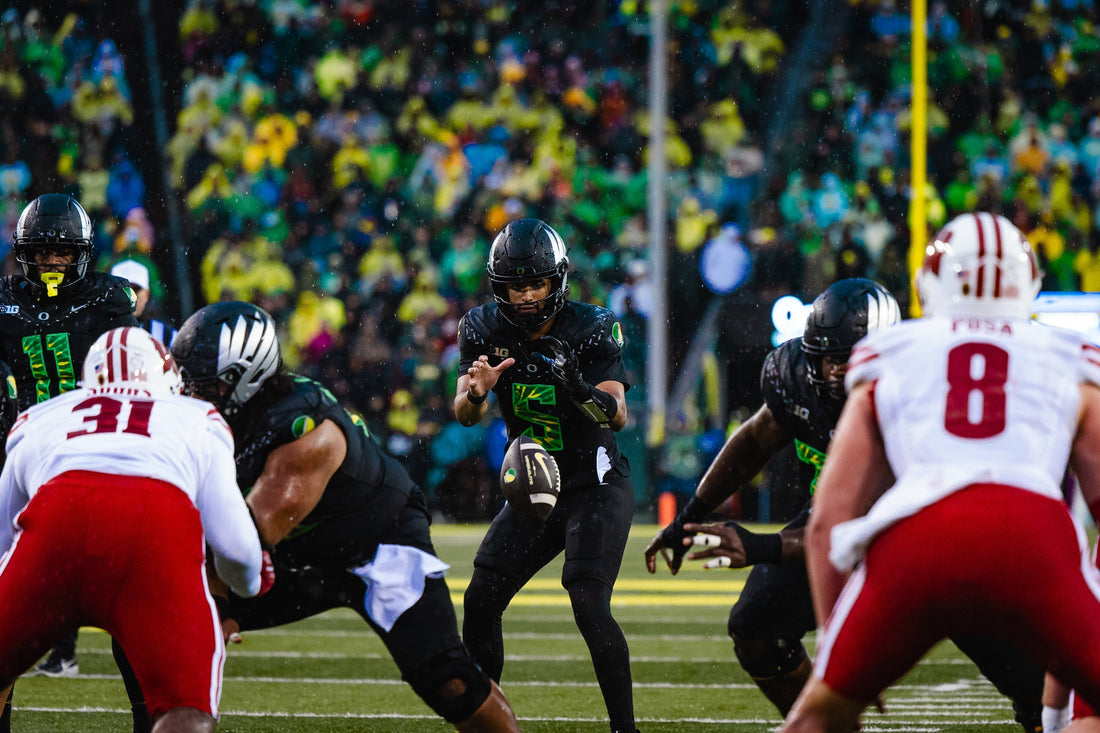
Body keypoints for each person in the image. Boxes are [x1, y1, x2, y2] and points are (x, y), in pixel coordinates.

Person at [643, 277, 1046, 729]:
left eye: (849, 357)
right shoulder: (797, 379)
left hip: (946, 534)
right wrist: (690, 516)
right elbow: (758, 437)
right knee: (758, 627)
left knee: (1037, 684)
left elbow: (857, 527)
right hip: (842, 517)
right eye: (828, 358)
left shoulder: (918, 397)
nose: (837, 371)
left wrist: (758, 547)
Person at [778, 212, 1100, 732]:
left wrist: (839, 641)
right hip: (1032, 537)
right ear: (1031, 282)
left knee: (819, 718)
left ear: (931, 283)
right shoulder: (1067, 355)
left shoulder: (893, 353)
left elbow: (828, 520)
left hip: (917, 540)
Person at [141, 300, 516, 732]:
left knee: (448, 680)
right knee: (155, 620)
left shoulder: (304, 429)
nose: (192, 394)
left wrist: (220, 605)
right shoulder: (222, 415)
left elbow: (244, 542)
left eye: (206, 384)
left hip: (376, 541)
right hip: (299, 551)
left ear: (246, 377)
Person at [0, 326, 270, 733]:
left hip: (55, 525)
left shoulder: (41, 417)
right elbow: (234, 546)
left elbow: (2, 535)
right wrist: (249, 583)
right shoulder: (197, 418)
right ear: (169, 380)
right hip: (151, 529)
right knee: (186, 708)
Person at [454, 218, 639, 733]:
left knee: (586, 600)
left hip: (595, 483)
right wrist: (476, 391)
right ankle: (485, 724)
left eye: (537, 282)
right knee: (481, 597)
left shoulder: (592, 325)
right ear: (501, 287)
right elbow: (464, 413)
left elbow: (617, 415)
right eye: (518, 285)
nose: (530, 295)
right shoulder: (482, 329)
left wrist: (579, 386)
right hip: (537, 483)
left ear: (557, 281)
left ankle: (626, 730)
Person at [1, 194, 138, 699]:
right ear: (24, 253)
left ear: (81, 253)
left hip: (90, 447)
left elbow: (131, 370)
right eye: (41, 253)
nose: (52, 262)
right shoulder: (5, 300)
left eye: (61, 253)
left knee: (120, 578)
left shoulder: (110, 300)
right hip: (20, 450)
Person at [110, 259, 178, 347]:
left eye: (136, 289)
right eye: (124, 290)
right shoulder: (94, 333)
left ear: (147, 293)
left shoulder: (168, 336)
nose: (131, 296)